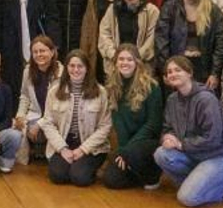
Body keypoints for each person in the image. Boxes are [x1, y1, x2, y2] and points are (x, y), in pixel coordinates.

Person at [155, 56, 223, 207]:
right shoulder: (172, 100)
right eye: (169, 72)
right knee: (161, 154)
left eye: (177, 70)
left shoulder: (206, 99)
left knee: (187, 198)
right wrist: (168, 138)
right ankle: (199, 183)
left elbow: (213, 139)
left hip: (219, 155)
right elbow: (167, 128)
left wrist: (181, 145)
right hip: (194, 153)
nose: (172, 74)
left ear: (189, 73)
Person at [36, 50, 109, 186]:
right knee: (58, 176)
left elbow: (105, 126)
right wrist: (62, 148)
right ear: (67, 68)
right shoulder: (54, 91)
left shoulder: (100, 92)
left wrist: (83, 149)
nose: (76, 70)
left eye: (80, 66)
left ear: (87, 68)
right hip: (64, 143)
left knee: (80, 178)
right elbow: (48, 123)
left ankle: (86, 168)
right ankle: (73, 166)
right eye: (72, 66)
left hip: (90, 147)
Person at [100, 44, 165, 190]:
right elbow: (119, 124)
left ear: (137, 62)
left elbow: (153, 125)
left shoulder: (152, 87)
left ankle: (152, 174)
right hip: (127, 145)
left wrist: (126, 151)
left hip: (147, 142)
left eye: (129, 59)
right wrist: (124, 150)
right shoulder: (111, 88)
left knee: (130, 155)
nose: (125, 63)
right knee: (111, 180)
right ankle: (134, 172)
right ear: (115, 62)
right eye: (121, 59)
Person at [156, 0, 223, 89]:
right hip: (178, 68)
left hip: (204, 70)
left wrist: (215, 73)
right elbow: (161, 42)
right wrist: (166, 70)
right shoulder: (170, 8)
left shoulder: (214, 11)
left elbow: (221, 45)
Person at [14, 35, 60, 161]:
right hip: (35, 115)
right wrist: (20, 116)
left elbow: (58, 108)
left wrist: (40, 124)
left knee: (43, 129)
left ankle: (49, 152)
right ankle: (38, 149)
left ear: (52, 52)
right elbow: (24, 96)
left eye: (43, 51)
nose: (39, 54)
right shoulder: (28, 71)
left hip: (56, 118)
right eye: (35, 52)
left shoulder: (62, 73)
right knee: (20, 127)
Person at [98, 0, 159, 68]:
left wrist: (134, 58)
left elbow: (152, 39)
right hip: (116, 64)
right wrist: (116, 56)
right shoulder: (112, 9)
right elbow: (104, 34)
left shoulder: (151, 10)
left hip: (142, 64)